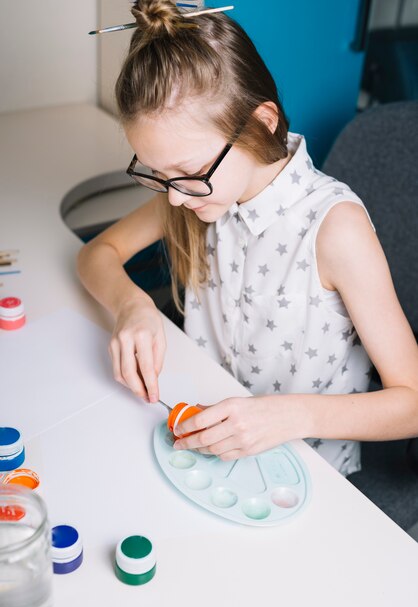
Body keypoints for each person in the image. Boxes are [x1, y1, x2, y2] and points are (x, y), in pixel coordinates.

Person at [77, 0, 418, 476]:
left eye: (189, 173)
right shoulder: (199, 190)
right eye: (158, 174)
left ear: (263, 121)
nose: (174, 199)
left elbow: (412, 402)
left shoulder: (334, 228)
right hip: (207, 446)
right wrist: (133, 305)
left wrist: (291, 416)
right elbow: (98, 254)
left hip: (307, 473)